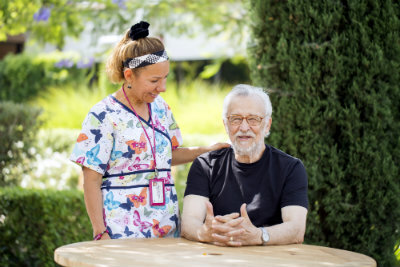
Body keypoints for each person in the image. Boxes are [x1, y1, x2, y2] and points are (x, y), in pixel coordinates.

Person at [70, 21, 228, 240]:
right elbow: (91, 179)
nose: (162, 88)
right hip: (122, 231)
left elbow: (166, 156)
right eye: (154, 80)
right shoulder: (102, 115)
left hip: (166, 225)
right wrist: (100, 232)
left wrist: (205, 150)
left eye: (165, 79)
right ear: (128, 76)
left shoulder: (162, 108)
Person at [181, 84, 308, 246]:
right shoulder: (205, 165)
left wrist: (258, 235)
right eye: (236, 119)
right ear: (225, 124)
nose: (244, 127)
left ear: (267, 124)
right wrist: (207, 233)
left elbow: (296, 229)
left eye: (253, 119)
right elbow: (188, 224)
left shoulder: (291, 168)